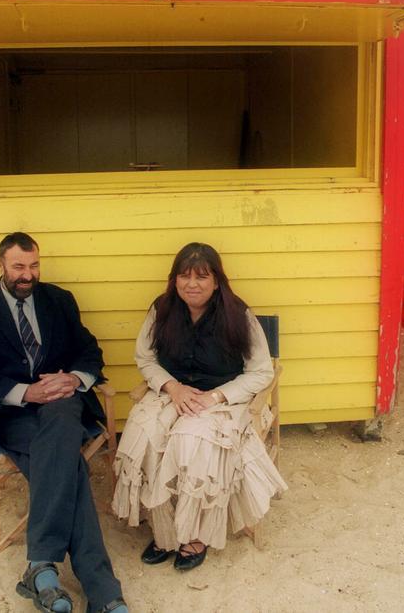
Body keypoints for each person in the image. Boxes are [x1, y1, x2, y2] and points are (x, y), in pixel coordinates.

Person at [0, 232, 127, 613]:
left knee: (63, 411)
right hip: (12, 415)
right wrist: (24, 392)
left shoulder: (59, 301)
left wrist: (75, 379)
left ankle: (41, 569)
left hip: (61, 404)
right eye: (18, 266)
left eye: (33, 265)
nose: (27, 275)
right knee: (70, 465)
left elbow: (89, 352)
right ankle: (103, 591)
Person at [111, 242, 287, 571]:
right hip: (173, 390)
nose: (192, 284)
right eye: (184, 276)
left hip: (221, 397)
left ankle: (195, 534)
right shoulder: (161, 309)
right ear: (174, 280)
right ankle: (165, 531)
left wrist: (216, 397)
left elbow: (261, 371)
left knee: (192, 440)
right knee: (145, 434)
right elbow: (145, 359)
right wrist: (172, 387)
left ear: (217, 281)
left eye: (201, 277)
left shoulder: (238, 314)